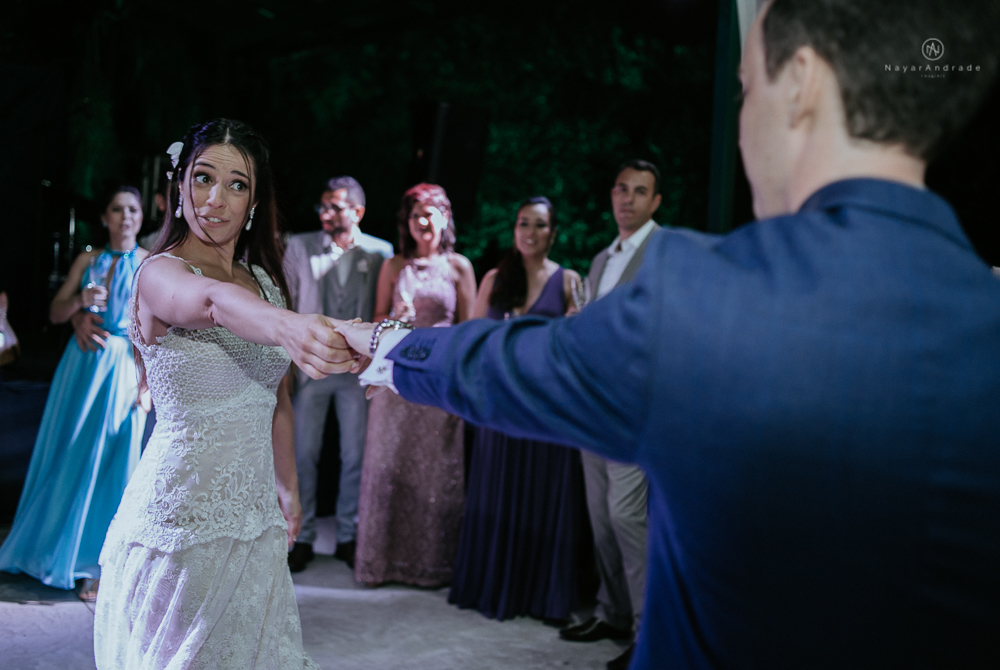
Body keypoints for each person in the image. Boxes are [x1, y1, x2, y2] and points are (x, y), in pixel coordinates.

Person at [336, 1, 1000, 667]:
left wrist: (374, 342)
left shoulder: (700, 292)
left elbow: (504, 366)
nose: (743, 126)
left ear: (801, 82)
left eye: (745, 90)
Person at [93, 118, 354, 669]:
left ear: (254, 201)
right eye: (204, 177)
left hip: (255, 521)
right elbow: (211, 302)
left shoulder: (265, 282)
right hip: (182, 523)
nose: (216, 199)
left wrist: (289, 488)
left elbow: (277, 397)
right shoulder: (158, 272)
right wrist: (290, 326)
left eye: (237, 185)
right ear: (179, 184)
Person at [0, 186, 149, 597]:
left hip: (123, 366)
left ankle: (99, 563)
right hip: (82, 368)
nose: (125, 217)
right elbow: (54, 312)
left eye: (132, 209)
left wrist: (147, 381)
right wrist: (79, 306)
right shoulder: (88, 260)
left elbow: (160, 329)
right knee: (70, 456)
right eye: (117, 209)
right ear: (104, 217)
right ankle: (53, 548)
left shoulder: (150, 263)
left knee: (115, 461)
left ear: (141, 217)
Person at [449, 196, 586, 622]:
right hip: (500, 405)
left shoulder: (569, 281)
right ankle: (496, 586)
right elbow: (471, 341)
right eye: (523, 223)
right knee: (499, 493)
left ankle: (542, 595)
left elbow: (578, 347)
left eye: (539, 225)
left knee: (543, 496)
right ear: (514, 230)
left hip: (545, 409)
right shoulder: (494, 278)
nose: (530, 231)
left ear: (553, 233)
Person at [559, 160, 665, 669]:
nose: (627, 198)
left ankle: (648, 635)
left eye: (640, 191)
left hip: (632, 404)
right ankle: (613, 612)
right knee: (601, 518)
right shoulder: (602, 258)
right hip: (592, 401)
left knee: (627, 517)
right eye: (622, 188)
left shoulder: (664, 252)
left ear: (655, 201)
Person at [354, 183, 476, 587]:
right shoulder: (394, 266)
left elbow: (470, 329)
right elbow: (376, 321)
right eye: (414, 214)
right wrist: (395, 319)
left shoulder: (459, 267)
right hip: (395, 379)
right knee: (389, 465)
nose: (421, 220)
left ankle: (430, 566)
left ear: (445, 217)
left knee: (435, 471)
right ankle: (382, 563)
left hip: (437, 378)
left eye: (429, 212)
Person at [283, 176, 392, 573]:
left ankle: (348, 534)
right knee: (304, 454)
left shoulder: (380, 252)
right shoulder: (299, 246)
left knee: (354, 454)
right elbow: (287, 305)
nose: (325, 213)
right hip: (310, 365)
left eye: (335, 207)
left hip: (356, 370)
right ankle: (303, 537)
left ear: (357, 212)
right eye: (323, 206)